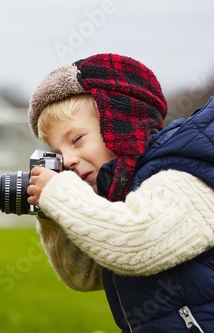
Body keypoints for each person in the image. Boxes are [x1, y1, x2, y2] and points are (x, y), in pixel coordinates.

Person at [25, 53, 214, 332]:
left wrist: (60, 192)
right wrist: (53, 214)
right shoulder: (125, 191)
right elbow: (84, 276)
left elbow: (136, 242)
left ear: (121, 121)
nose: (68, 160)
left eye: (76, 139)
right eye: (58, 153)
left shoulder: (182, 176)